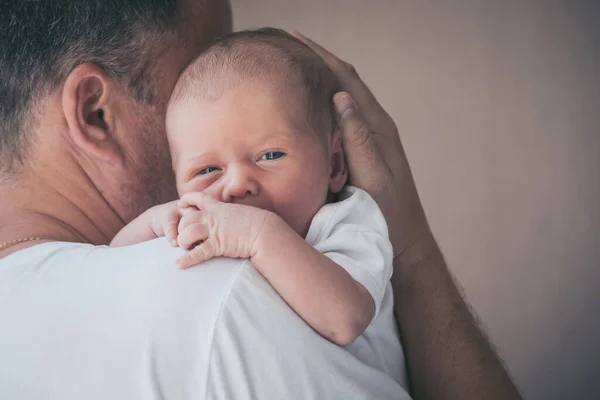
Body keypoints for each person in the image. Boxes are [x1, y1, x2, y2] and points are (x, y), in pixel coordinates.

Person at [0, 1, 523, 399]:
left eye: (270, 152)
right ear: (96, 114)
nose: (234, 186)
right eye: (195, 75)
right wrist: (410, 249)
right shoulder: (227, 294)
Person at [111, 28, 408, 387]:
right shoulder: (203, 215)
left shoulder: (348, 222)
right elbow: (116, 263)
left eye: (270, 155)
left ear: (333, 164)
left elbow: (344, 319)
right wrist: (156, 223)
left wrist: (258, 235)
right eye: (207, 170)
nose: (236, 184)